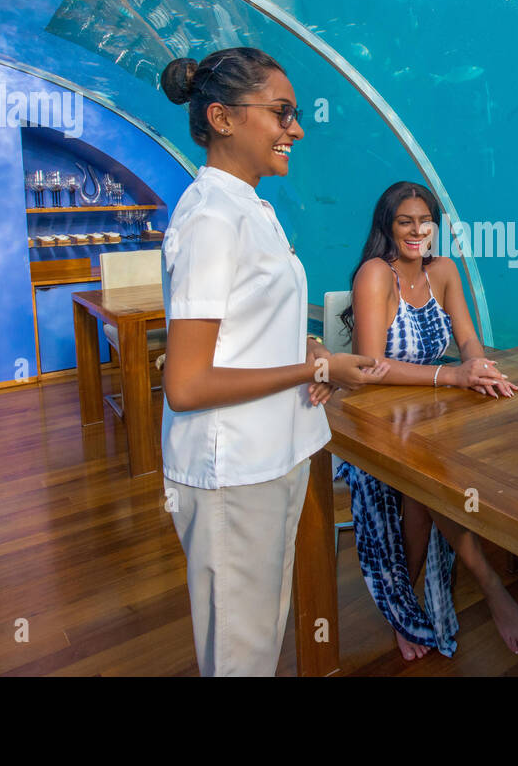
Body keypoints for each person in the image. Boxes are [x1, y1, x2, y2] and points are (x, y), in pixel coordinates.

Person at [158, 47, 385, 676]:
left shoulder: (249, 206)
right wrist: (316, 371)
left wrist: (305, 347)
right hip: (233, 467)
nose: (298, 129)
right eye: (282, 113)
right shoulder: (209, 218)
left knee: (260, 636)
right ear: (223, 118)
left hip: (272, 457)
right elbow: (187, 383)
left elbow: (242, 328)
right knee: (241, 656)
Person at [335, 181, 518, 661]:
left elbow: (468, 337)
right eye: (405, 221)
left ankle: (408, 607)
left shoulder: (443, 271)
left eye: (424, 221)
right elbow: (368, 367)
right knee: (424, 488)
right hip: (371, 427)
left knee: (435, 477)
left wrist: (479, 366)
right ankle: (482, 591)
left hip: (430, 422)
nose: (416, 230)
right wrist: (452, 375)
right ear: (387, 225)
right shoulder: (374, 275)